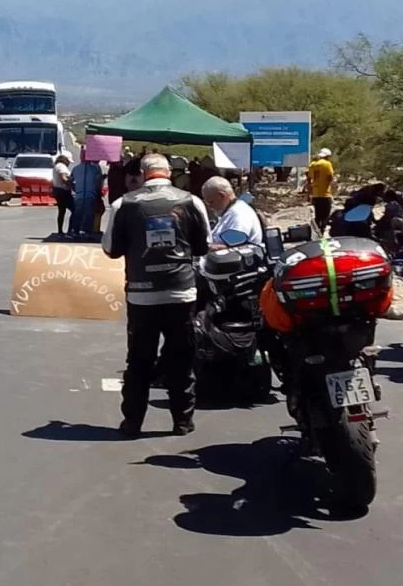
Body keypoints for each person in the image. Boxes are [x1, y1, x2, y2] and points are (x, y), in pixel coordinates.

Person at [102, 154, 211, 438]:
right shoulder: (191, 201)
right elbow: (203, 247)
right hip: (182, 293)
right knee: (181, 359)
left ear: (142, 173)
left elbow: (110, 248)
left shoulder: (123, 204)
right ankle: (182, 422)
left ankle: (133, 424)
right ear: (170, 173)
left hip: (142, 296)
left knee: (138, 362)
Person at [202, 176, 263, 246]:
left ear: (221, 196)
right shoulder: (229, 211)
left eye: (211, 202)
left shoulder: (240, 213)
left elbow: (232, 245)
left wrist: (203, 248)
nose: (210, 207)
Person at [69, 150, 103, 235]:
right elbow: (99, 182)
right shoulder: (95, 169)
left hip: (80, 195)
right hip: (90, 195)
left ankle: (76, 231)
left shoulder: (76, 168)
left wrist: (75, 189)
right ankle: (87, 232)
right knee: (89, 215)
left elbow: (70, 181)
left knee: (78, 214)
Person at [305, 148, 335, 231]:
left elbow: (309, 179)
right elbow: (330, 177)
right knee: (325, 215)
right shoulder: (327, 164)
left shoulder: (313, 164)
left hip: (316, 194)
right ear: (328, 156)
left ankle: (317, 231)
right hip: (325, 194)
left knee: (318, 215)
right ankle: (322, 231)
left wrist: (309, 193)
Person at [52, 154, 73, 236]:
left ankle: (60, 231)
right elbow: (63, 178)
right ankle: (70, 230)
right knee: (74, 210)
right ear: (65, 160)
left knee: (62, 211)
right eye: (68, 161)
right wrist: (71, 182)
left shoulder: (56, 166)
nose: (69, 163)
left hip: (57, 190)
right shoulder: (62, 167)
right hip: (63, 191)